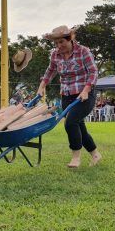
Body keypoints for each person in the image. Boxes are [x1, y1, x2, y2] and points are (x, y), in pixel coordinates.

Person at [37, 25, 101, 168]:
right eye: (56, 43)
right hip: (66, 94)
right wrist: (41, 87)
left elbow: (93, 72)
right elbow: (50, 71)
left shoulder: (83, 51)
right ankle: (95, 154)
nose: (59, 46)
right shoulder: (55, 54)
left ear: (70, 39)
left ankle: (76, 158)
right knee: (79, 126)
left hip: (85, 94)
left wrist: (86, 90)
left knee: (71, 122)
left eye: (62, 42)